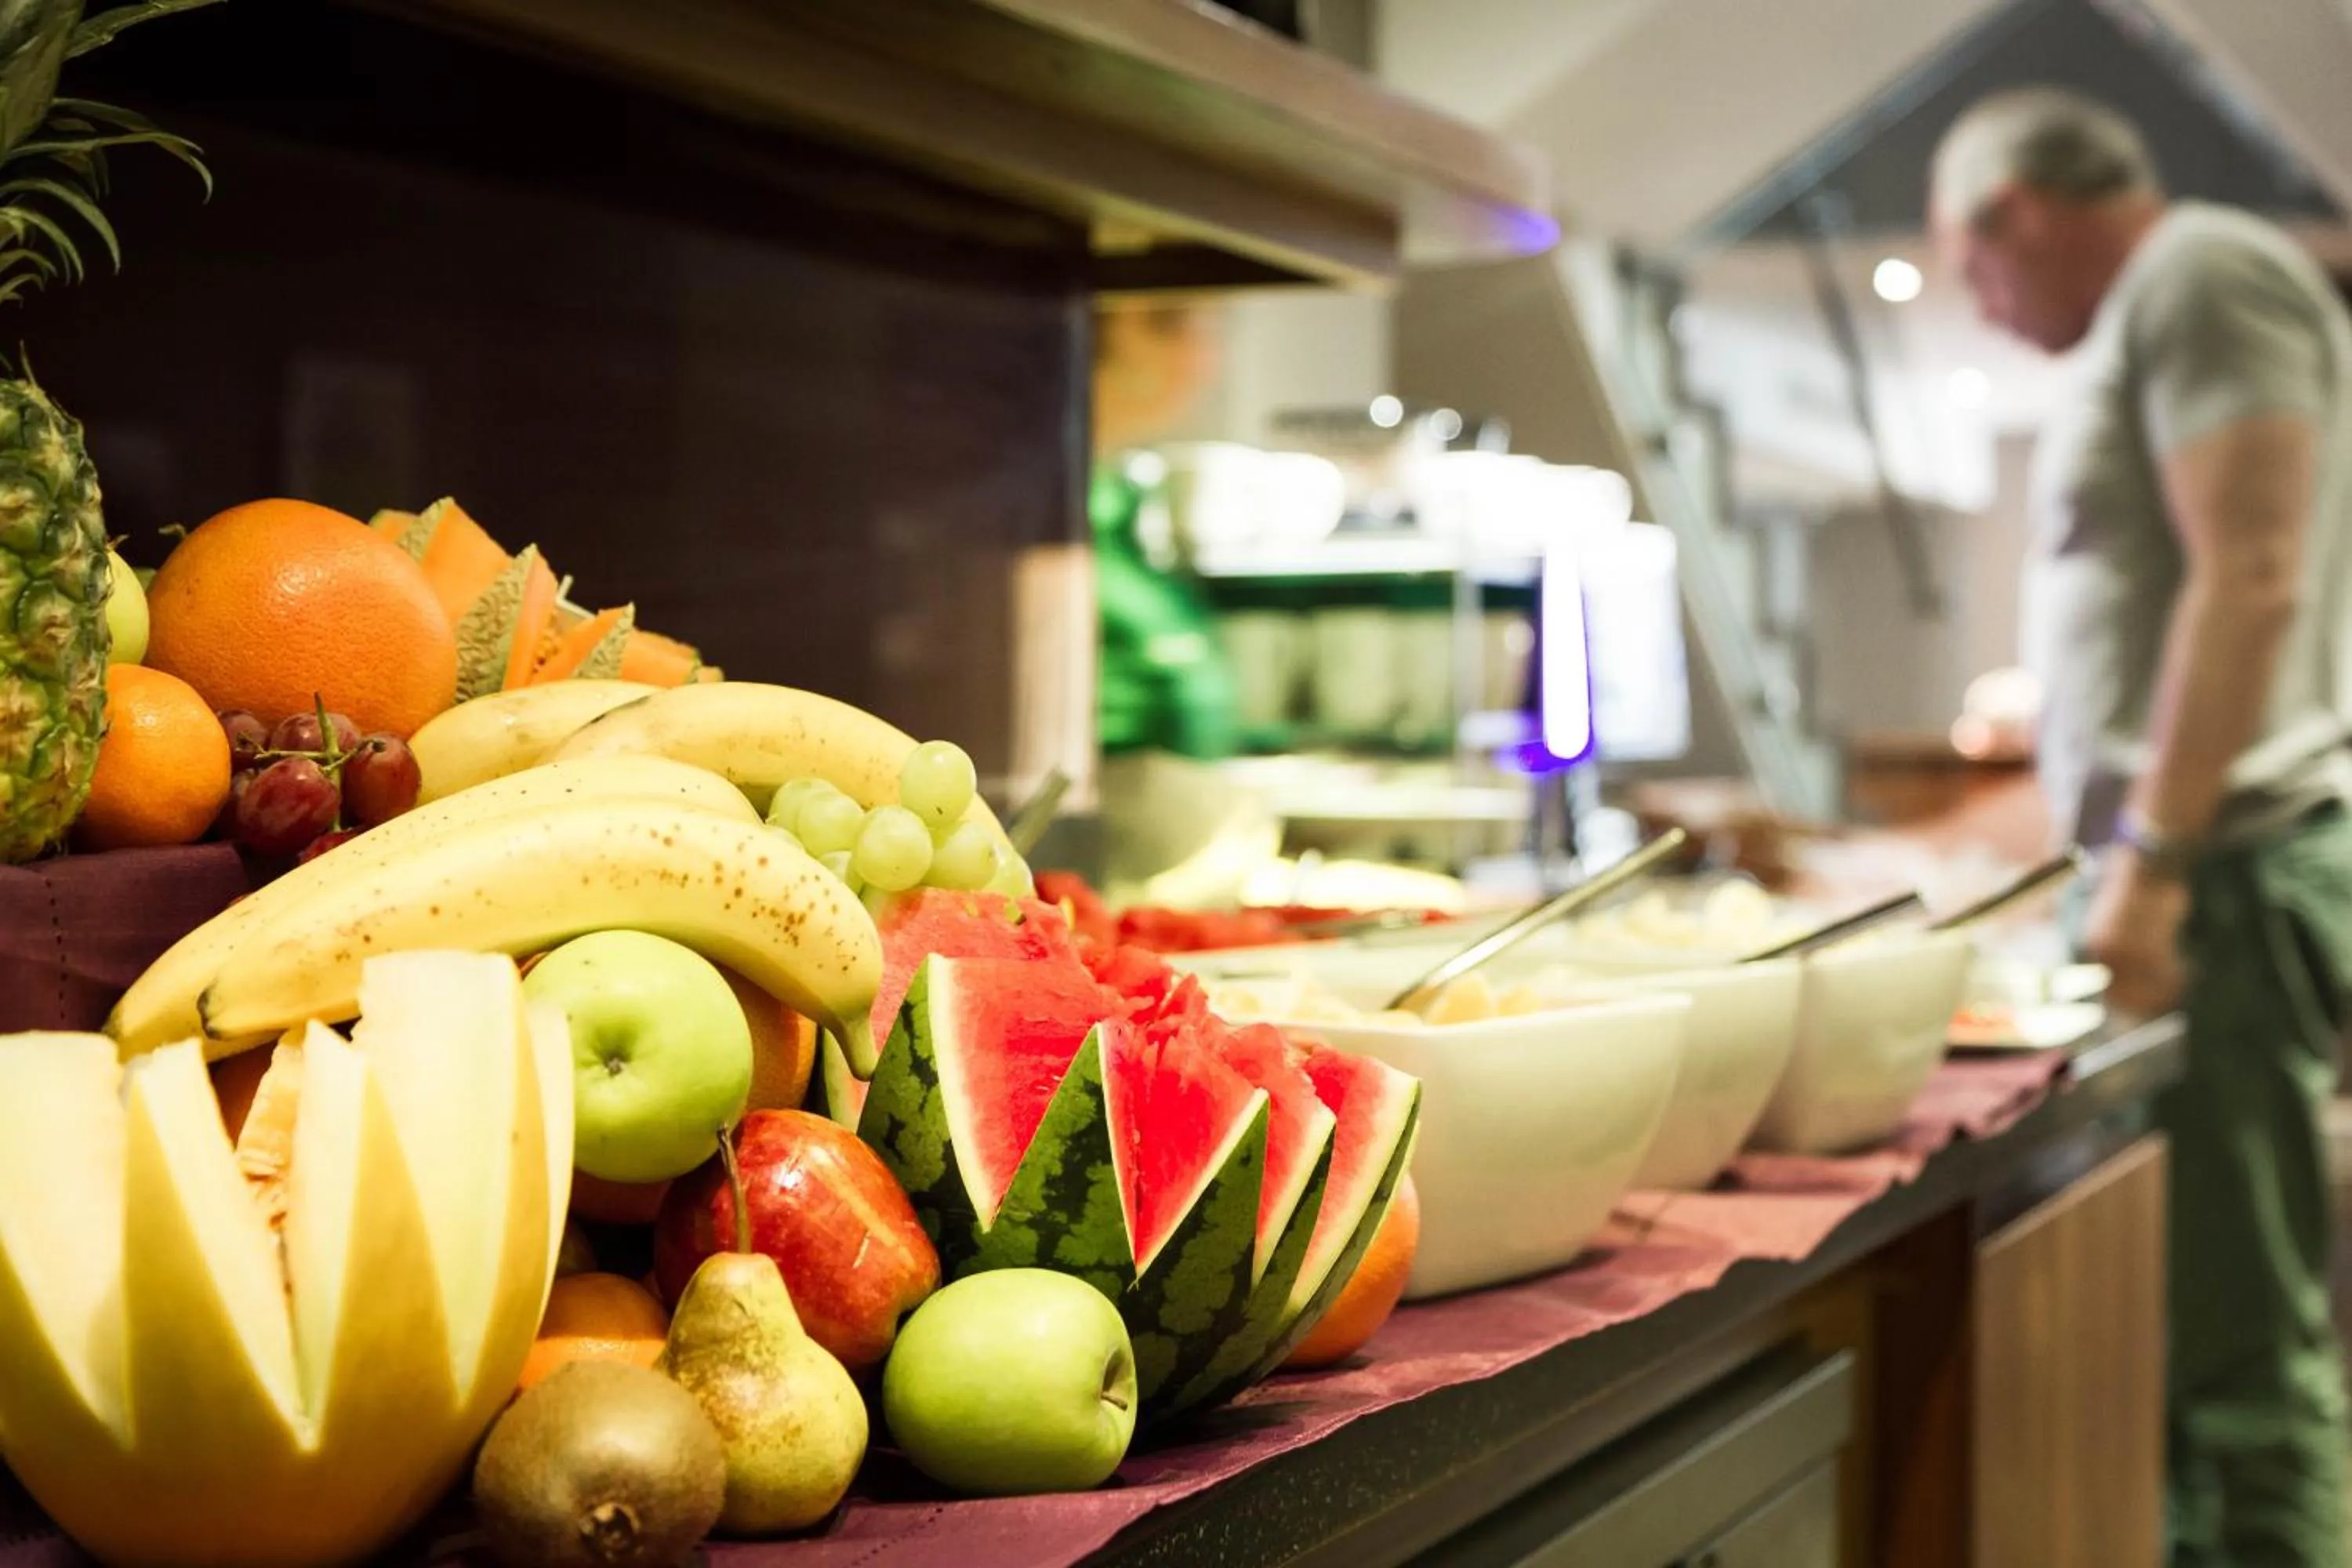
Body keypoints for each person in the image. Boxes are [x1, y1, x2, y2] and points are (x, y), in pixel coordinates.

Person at [1931, 89, 2352, 1566]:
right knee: (2175, 1345)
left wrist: (2151, 868)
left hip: (2214, 875)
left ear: (2015, 215)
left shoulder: (2204, 274)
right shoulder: (2169, 302)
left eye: (1970, 271)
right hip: (2184, 870)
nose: (1983, 311)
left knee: (2235, 1359)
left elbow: (2253, 572)